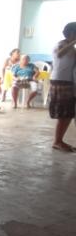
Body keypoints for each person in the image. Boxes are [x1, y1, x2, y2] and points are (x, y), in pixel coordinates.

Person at [49, 22, 76, 152]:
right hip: (60, 82)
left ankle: (59, 141)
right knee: (64, 114)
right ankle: (57, 141)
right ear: (71, 33)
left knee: (68, 114)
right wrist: (73, 42)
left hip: (67, 82)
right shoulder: (60, 44)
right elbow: (60, 54)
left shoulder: (72, 49)